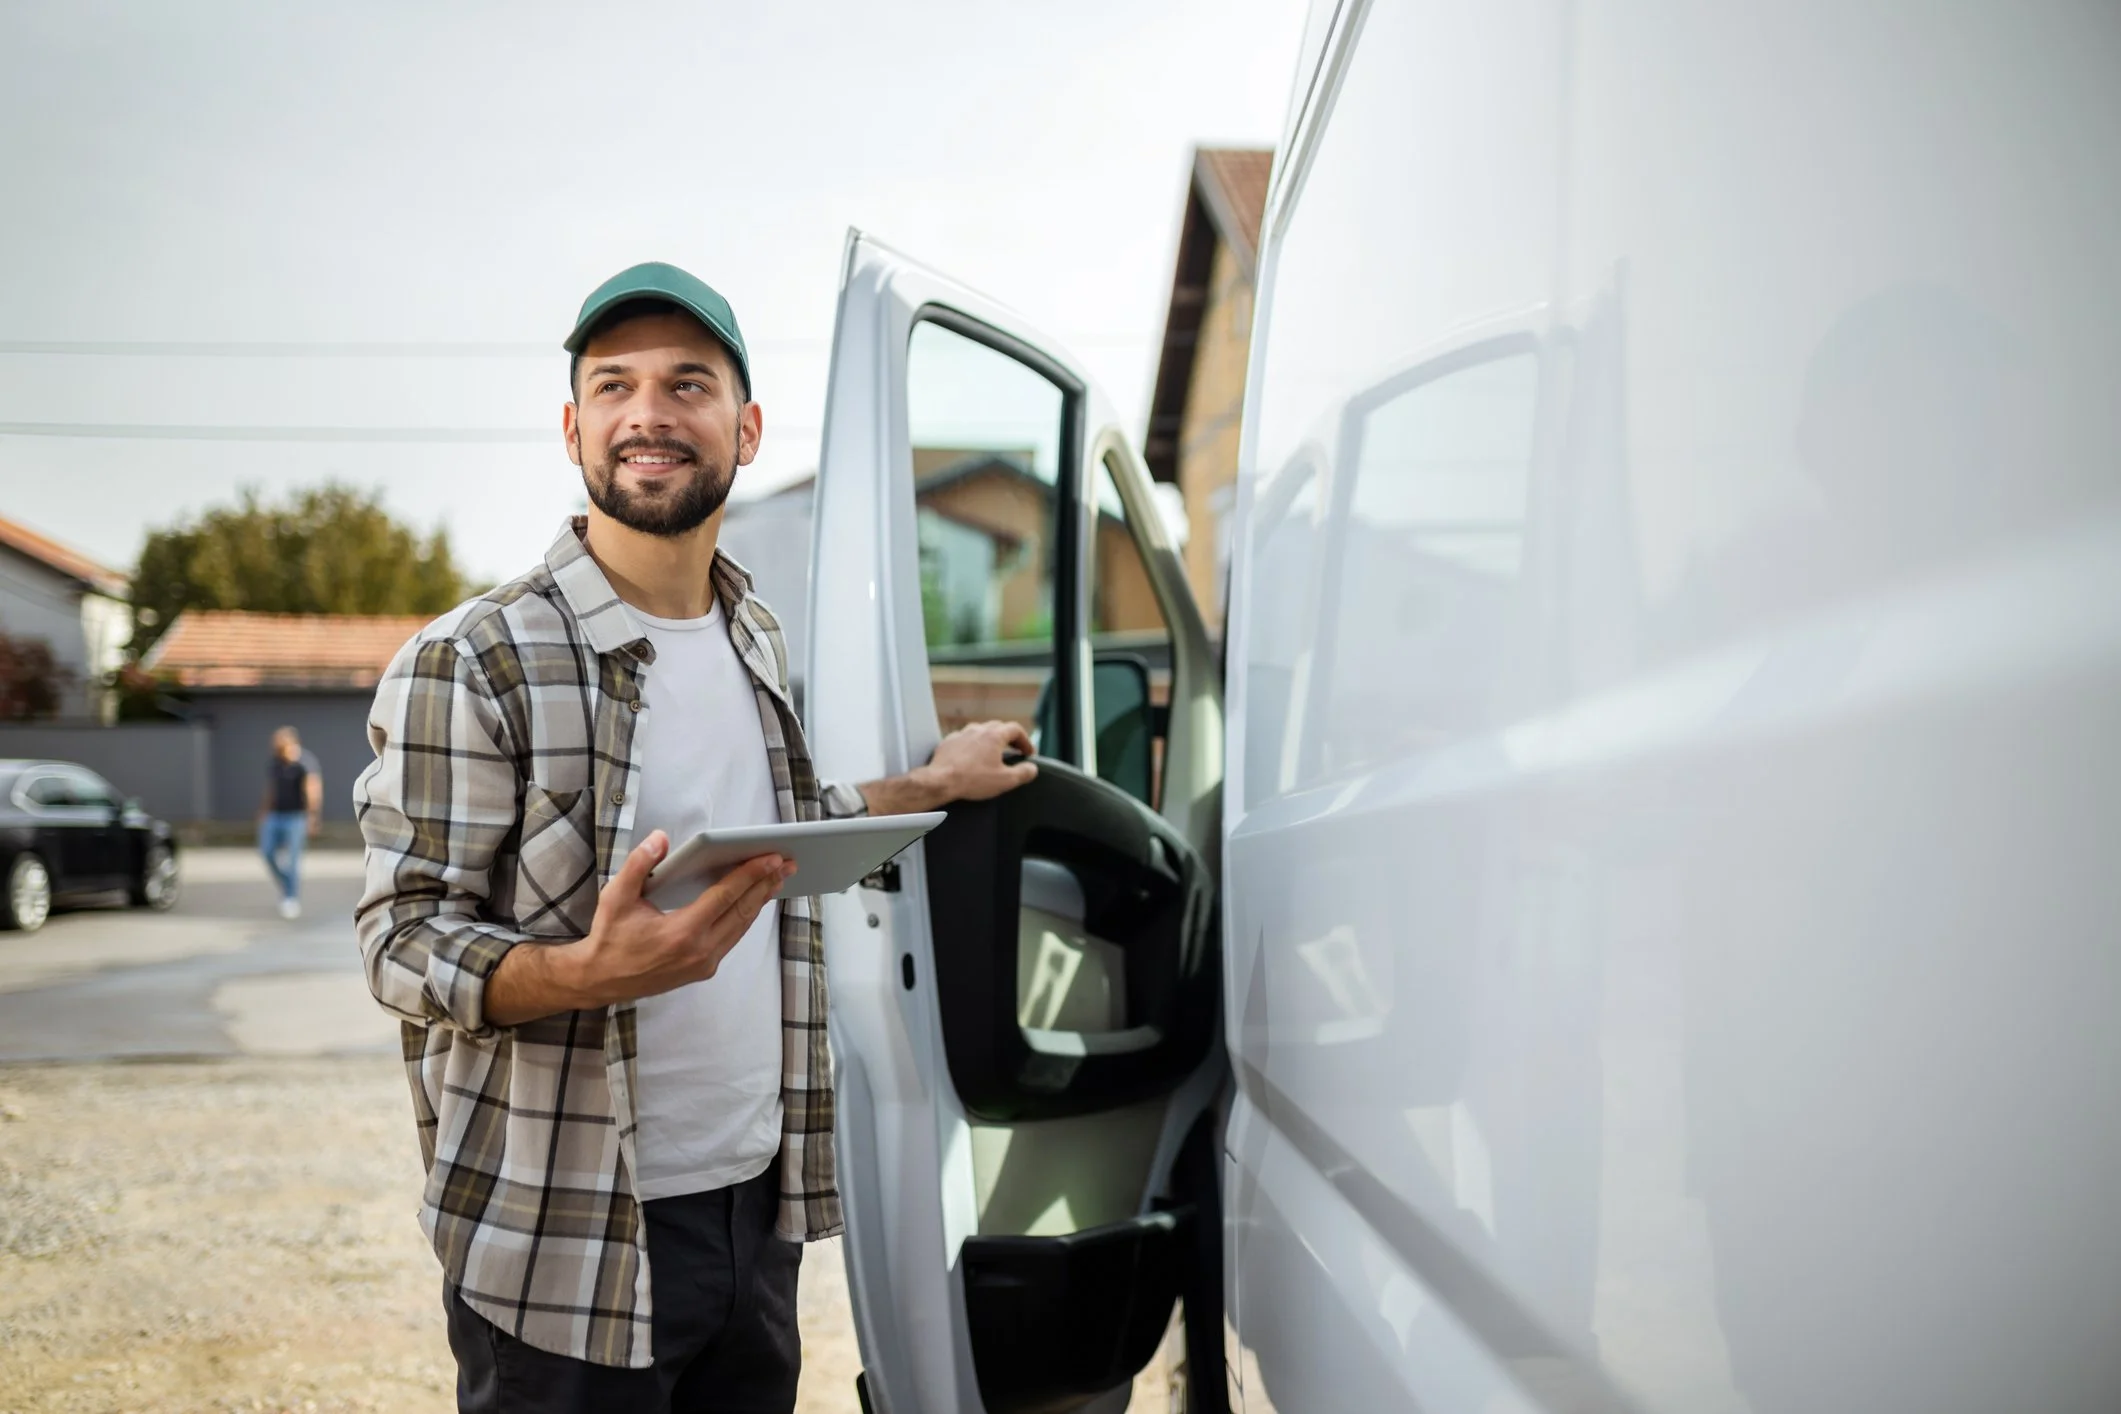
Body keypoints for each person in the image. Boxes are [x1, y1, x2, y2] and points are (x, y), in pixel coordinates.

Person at [352, 262, 1037, 1414]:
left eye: (687, 384)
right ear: (574, 430)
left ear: (746, 426)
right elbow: (399, 941)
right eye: (612, 387)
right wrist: (585, 971)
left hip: (753, 1206)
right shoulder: (476, 658)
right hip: (567, 1234)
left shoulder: (753, 631)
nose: (648, 415)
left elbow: (781, 824)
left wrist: (929, 782)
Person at [258, 726, 321, 920]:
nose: (277, 749)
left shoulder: (305, 763)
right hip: (275, 815)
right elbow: (272, 788)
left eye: (280, 745)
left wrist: (312, 817)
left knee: (293, 860)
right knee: (267, 852)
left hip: (296, 817)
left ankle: (291, 897)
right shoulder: (275, 763)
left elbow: (313, 790)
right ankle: (287, 884)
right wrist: (264, 811)